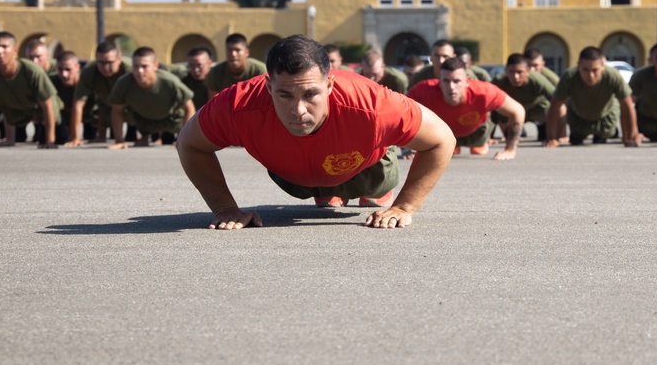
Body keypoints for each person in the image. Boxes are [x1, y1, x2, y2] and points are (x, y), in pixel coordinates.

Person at [177, 34, 456, 229]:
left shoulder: (372, 105)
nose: (298, 110)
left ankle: (363, 189)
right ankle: (326, 189)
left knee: (374, 187)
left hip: (366, 170)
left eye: (311, 94)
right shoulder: (239, 105)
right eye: (285, 96)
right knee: (307, 187)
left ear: (330, 86)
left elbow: (442, 140)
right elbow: (189, 143)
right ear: (269, 88)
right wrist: (225, 208)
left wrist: (405, 207)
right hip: (295, 177)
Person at [409, 56, 526, 159]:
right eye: (446, 81)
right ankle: (451, 145)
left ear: (467, 81)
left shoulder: (484, 92)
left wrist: (510, 149)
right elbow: (400, 113)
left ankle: (480, 144)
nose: (451, 87)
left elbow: (518, 111)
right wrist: (407, 148)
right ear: (439, 81)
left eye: (457, 81)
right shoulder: (423, 90)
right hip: (443, 133)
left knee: (478, 145)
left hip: (476, 132)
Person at [0, 31, 60, 149]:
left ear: (15, 50)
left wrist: (50, 140)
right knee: (18, 138)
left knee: (58, 139)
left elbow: (48, 105)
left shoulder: (31, 70)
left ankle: (48, 132)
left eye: (4, 47)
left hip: (41, 111)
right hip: (17, 114)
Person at [545, 46, 638, 147]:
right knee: (577, 138)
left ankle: (610, 131)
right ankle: (579, 134)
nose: (590, 75)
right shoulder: (569, 76)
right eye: (585, 70)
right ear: (578, 66)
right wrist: (551, 138)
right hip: (578, 116)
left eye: (595, 70)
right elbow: (555, 106)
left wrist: (631, 136)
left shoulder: (613, 76)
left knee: (602, 137)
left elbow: (628, 106)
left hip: (606, 115)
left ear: (603, 66)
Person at [107, 47, 195, 148]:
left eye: (144, 66)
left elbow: (189, 107)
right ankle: (144, 136)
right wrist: (119, 140)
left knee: (171, 134)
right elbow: (117, 110)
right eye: (136, 66)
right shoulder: (123, 83)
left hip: (172, 121)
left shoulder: (169, 82)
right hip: (144, 122)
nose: (139, 71)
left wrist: (185, 139)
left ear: (155, 66)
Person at [66, 40, 131, 146]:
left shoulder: (131, 70)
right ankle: (101, 135)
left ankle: (145, 134)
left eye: (109, 63)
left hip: (132, 104)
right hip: (106, 101)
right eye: (101, 62)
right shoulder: (89, 72)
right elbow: (78, 104)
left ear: (119, 59)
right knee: (101, 104)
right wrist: (75, 138)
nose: (105, 67)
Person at [492, 53, 555, 142]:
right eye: (511, 72)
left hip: (536, 110)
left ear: (528, 70)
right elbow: (485, 106)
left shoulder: (537, 80)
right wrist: (488, 137)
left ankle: (542, 127)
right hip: (511, 113)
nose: (515, 77)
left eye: (519, 72)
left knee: (544, 134)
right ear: (506, 71)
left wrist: (554, 137)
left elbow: (557, 101)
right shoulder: (499, 82)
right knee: (495, 109)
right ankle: (511, 132)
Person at [408, 40, 478, 89]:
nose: (441, 61)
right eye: (436, 56)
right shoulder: (420, 77)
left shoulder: (466, 75)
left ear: (453, 57)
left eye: (445, 56)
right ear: (431, 56)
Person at [49, 51, 84, 145]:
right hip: (63, 116)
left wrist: (75, 138)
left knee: (91, 134)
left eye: (68, 69)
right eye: (60, 69)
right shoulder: (52, 81)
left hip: (87, 114)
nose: (64, 74)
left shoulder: (85, 81)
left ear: (77, 67)